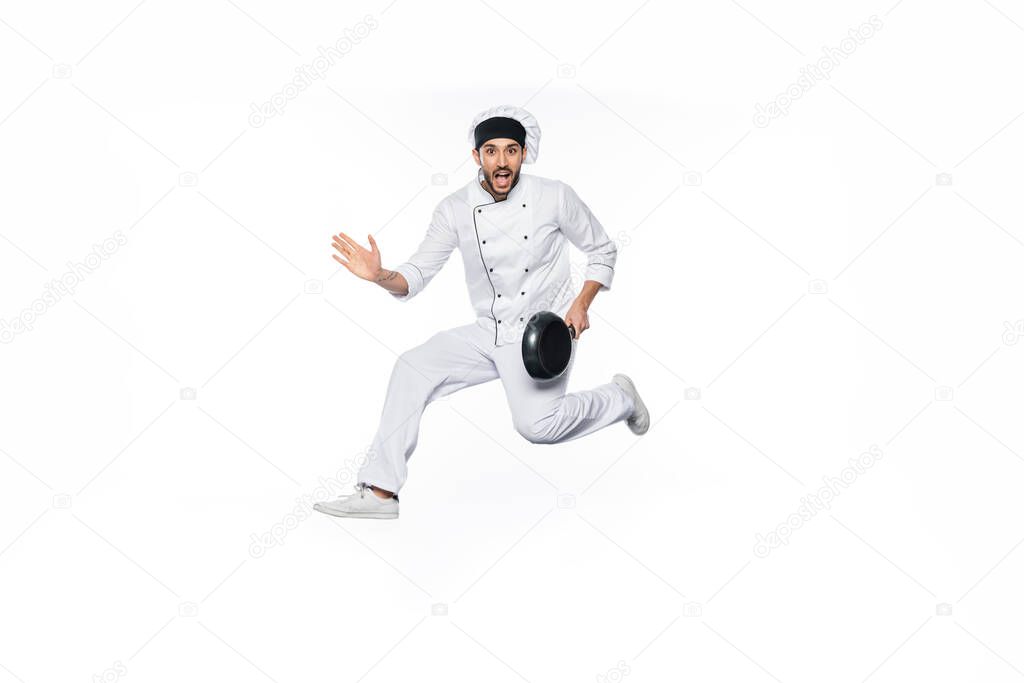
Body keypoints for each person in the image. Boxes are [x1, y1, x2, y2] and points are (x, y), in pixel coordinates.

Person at [314, 105, 650, 520]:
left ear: (523, 154)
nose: (501, 161)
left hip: (541, 336)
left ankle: (620, 398)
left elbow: (602, 249)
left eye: (511, 150)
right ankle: (381, 494)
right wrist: (380, 274)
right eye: (491, 151)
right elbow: (416, 274)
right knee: (412, 367)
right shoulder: (454, 208)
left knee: (536, 427)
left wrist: (581, 303)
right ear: (477, 157)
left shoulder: (555, 196)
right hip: (487, 331)